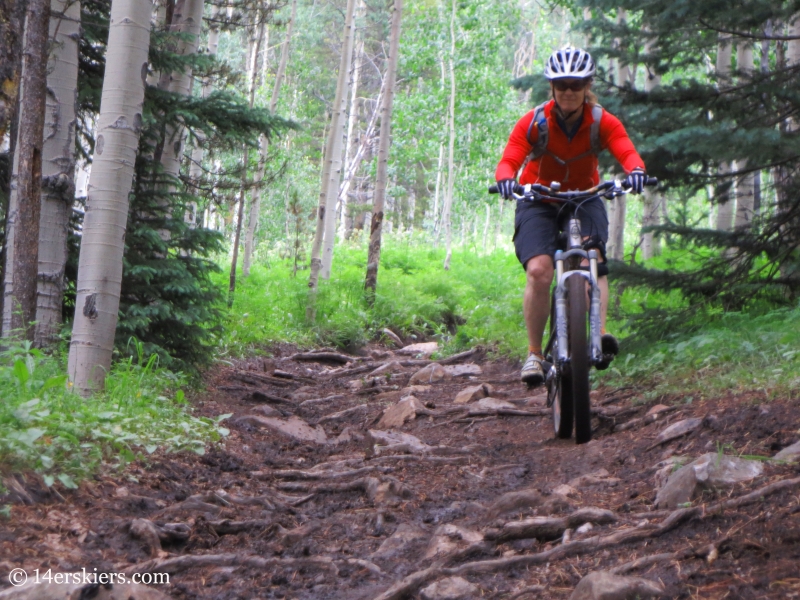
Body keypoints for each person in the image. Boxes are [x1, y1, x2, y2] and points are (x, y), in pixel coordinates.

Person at [495, 46, 647, 386]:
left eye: (575, 85)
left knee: (593, 257)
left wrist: (636, 171)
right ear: (552, 87)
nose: (568, 91)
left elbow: (626, 150)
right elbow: (510, 159)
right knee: (539, 270)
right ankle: (535, 353)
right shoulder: (534, 121)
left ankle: (599, 335)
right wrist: (506, 180)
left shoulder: (600, 121)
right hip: (539, 198)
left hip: (585, 197)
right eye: (561, 84)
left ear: (587, 86)